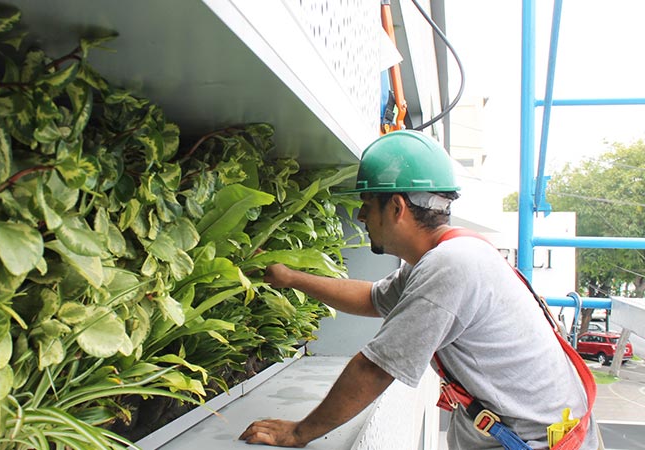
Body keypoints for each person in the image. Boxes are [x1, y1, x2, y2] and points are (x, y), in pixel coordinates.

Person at [239, 130, 598, 449]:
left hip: (536, 442)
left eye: (366, 206)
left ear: (396, 207)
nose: (361, 218)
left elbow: (375, 369)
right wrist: (290, 278)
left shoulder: (450, 266)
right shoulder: (450, 254)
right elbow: (372, 298)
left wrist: (300, 433)